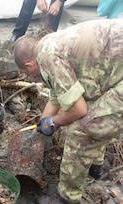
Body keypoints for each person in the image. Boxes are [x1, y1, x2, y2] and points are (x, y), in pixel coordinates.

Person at [14, 19, 123, 204]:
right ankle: (95, 168)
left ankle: (67, 197)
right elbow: (57, 95)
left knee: (80, 128)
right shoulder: (48, 43)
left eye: (27, 73)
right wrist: (42, 124)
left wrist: (55, 122)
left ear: (29, 65)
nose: (29, 76)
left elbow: (79, 110)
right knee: (97, 110)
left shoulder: (47, 57)